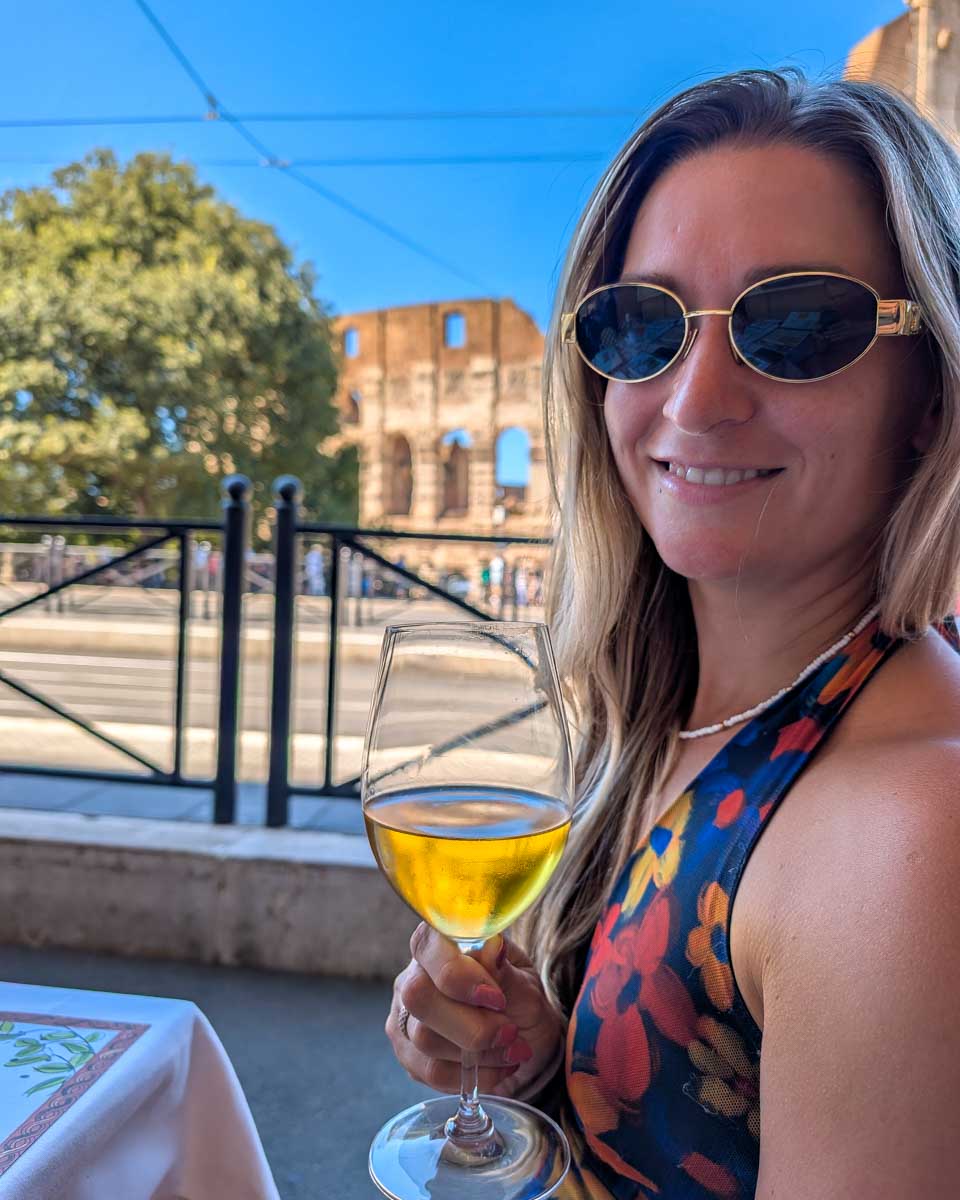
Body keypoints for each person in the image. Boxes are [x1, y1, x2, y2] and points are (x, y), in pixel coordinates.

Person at [383, 69, 960, 1198]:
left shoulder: (908, 839)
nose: (695, 400)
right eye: (642, 326)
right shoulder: (684, 706)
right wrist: (549, 1058)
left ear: (930, 391)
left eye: (795, 327)